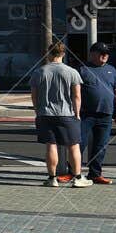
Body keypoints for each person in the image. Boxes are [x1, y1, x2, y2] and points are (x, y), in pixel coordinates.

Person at [31, 43, 89, 187]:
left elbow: (34, 95)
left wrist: (38, 110)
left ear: (49, 53)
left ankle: (52, 178)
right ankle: (77, 177)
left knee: (51, 145)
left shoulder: (40, 72)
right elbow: (77, 96)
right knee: (73, 146)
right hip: (67, 113)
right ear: (63, 54)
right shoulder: (72, 72)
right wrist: (77, 113)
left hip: (45, 113)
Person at [77, 43, 116, 184]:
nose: (104, 55)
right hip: (86, 114)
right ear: (92, 54)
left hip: (106, 114)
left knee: (101, 145)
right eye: (101, 52)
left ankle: (95, 174)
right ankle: (73, 173)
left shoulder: (111, 70)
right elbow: (74, 91)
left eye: (106, 53)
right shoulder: (82, 69)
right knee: (79, 144)